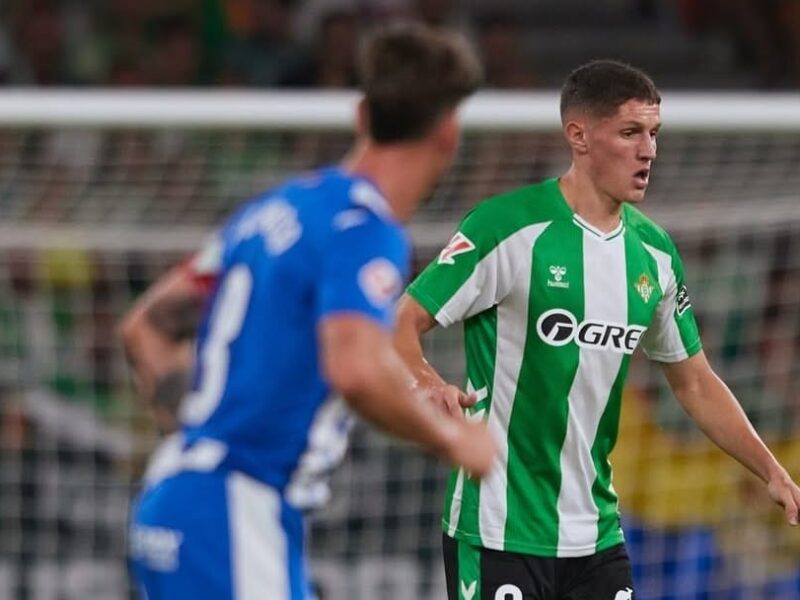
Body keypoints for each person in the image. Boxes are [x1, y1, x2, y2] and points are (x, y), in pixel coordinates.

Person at [393, 59, 800, 600]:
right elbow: (401, 322)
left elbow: (695, 381)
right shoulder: (509, 227)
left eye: (653, 134)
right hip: (498, 529)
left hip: (596, 535)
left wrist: (769, 469)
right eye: (630, 132)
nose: (649, 150)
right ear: (578, 136)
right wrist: (424, 378)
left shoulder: (654, 254)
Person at [118, 23, 496, 599]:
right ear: (448, 133)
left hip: (181, 496)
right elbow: (355, 369)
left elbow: (145, 326)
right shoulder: (366, 230)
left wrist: (198, 430)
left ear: (362, 115)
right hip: (235, 508)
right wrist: (451, 440)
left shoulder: (274, 209)